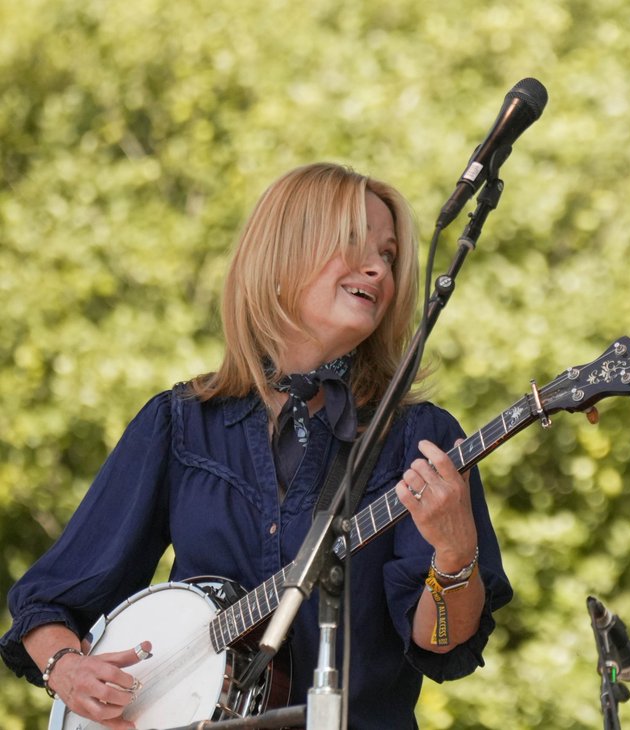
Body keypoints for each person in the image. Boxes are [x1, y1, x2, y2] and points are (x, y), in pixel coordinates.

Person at [1, 162, 512, 729]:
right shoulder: (180, 424)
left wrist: (455, 555)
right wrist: (66, 667)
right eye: (352, 243)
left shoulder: (421, 439)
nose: (378, 268)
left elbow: (442, 644)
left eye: (389, 255)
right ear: (282, 255)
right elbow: (47, 601)